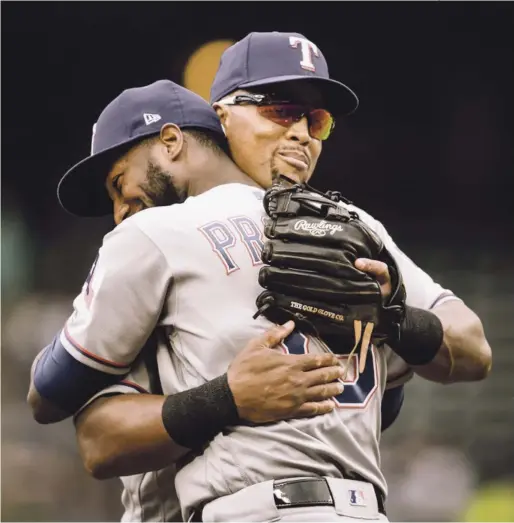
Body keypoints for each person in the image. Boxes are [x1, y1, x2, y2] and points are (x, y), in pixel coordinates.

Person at [28, 32, 491, 522]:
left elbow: (56, 398)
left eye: (316, 121)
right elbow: (392, 404)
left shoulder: (356, 229)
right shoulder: (354, 226)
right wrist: (228, 397)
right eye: (279, 110)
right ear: (222, 118)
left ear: (173, 141)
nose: (301, 134)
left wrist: (393, 318)